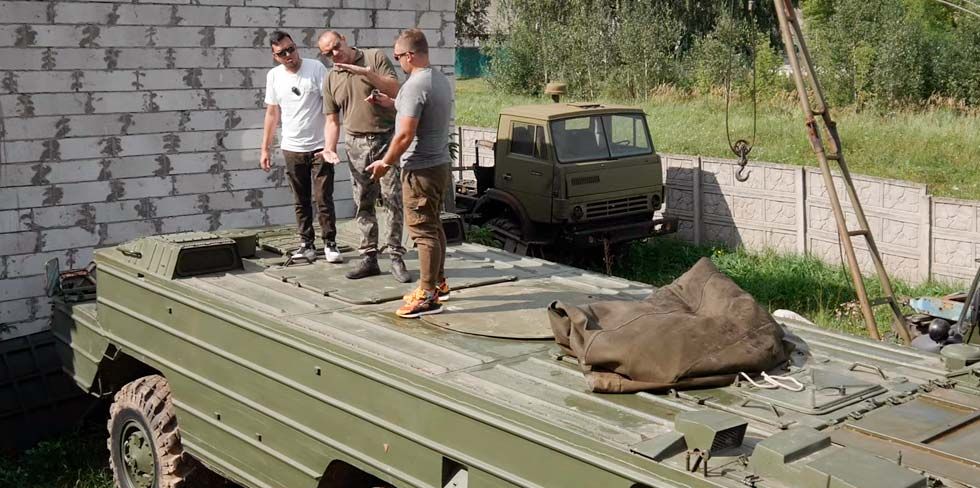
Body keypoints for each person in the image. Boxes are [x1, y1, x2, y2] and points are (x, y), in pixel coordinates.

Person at [366, 29, 452, 318]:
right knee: (434, 223)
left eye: (398, 57)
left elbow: (404, 135)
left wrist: (385, 163)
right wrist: (390, 104)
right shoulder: (437, 79)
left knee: (422, 231)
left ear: (410, 55)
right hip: (438, 165)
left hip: (420, 170)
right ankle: (438, 282)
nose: (398, 62)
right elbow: (418, 112)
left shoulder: (415, 85)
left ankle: (426, 295)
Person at [317, 31, 410, 282]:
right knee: (363, 202)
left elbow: (396, 89)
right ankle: (369, 257)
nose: (335, 54)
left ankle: (395, 257)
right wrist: (329, 147)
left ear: (344, 39)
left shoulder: (374, 57)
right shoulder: (331, 78)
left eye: (336, 47)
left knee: (392, 199)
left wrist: (367, 75)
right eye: (328, 53)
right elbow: (331, 120)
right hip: (356, 144)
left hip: (385, 140)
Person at [260, 30, 342, 264]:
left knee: (323, 197)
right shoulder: (274, 76)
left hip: (319, 147)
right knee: (301, 199)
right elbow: (272, 113)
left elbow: (330, 108)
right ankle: (306, 243)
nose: (289, 56)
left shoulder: (315, 68)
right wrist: (265, 148)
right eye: (282, 53)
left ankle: (330, 242)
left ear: (296, 47)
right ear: (275, 56)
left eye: (291, 49)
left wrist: (330, 145)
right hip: (292, 147)